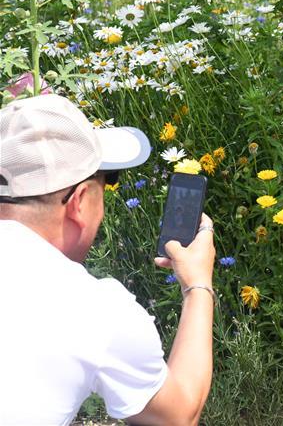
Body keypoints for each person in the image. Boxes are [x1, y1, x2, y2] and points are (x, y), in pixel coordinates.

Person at [0, 93, 216, 425]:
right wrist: (198, 284)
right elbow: (177, 415)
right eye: (107, 180)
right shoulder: (92, 308)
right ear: (80, 201)